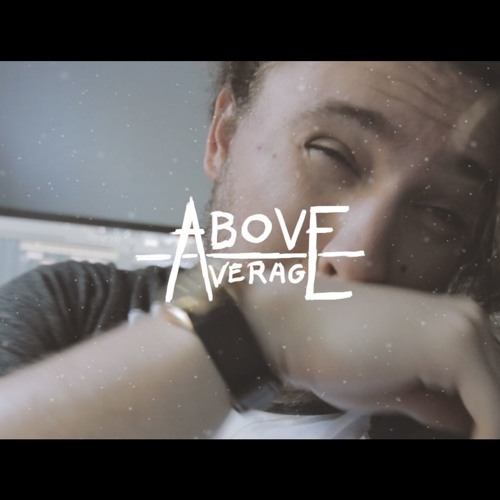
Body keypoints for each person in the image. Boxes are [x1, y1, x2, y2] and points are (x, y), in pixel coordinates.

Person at [0, 61, 499, 439]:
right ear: (224, 138)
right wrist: (247, 336)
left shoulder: (465, 415)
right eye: (332, 154)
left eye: (443, 213)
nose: (359, 260)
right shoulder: (72, 308)